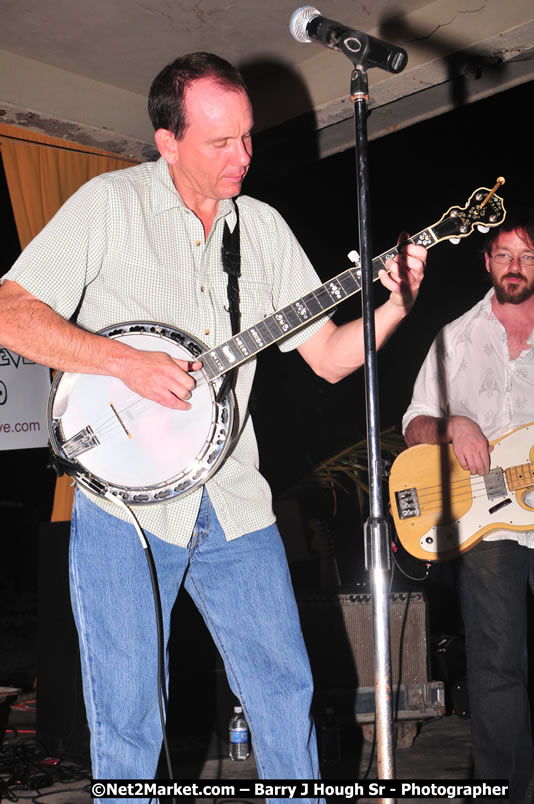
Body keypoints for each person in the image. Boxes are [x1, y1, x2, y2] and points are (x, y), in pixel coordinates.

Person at [0, 53, 426, 794]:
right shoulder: (109, 206)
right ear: (167, 141)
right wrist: (122, 363)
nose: (243, 158)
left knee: (285, 692)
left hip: (231, 499)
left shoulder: (260, 229)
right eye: (220, 143)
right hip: (123, 512)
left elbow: (325, 356)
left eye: (249, 138)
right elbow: (12, 313)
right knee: (129, 715)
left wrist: (392, 307)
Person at [402, 208, 534, 804]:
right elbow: (412, 427)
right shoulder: (454, 338)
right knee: (498, 666)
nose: (515, 267)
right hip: (488, 522)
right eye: (504, 255)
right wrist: (453, 423)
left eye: (527, 256)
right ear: (486, 262)